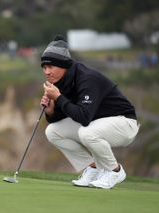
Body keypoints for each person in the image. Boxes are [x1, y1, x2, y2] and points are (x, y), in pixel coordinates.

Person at [40, 35, 139, 189]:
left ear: (63, 65)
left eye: (50, 66)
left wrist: (58, 97)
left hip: (124, 123)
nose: (46, 71)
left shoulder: (87, 78)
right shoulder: (62, 81)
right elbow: (65, 115)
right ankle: (93, 168)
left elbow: (83, 117)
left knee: (87, 133)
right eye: (44, 67)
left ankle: (115, 170)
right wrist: (51, 111)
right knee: (53, 131)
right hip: (96, 122)